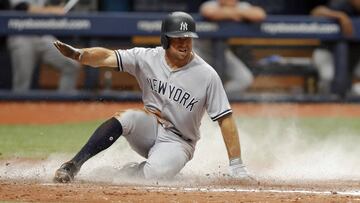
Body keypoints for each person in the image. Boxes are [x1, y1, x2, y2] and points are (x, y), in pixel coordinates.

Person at [53, 11, 252, 182]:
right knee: (127, 117)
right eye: (178, 38)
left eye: (188, 38)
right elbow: (106, 56)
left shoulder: (207, 75)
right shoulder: (147, 57)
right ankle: (73, 165)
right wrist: (80, 55)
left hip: (179, 142)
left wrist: (236, 164)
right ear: (165, 39)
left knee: (153, 176)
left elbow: (225, 119)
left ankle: (135, 171)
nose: (184, 43)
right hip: (150, 127)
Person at [193, 0, 266, 95]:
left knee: (244, 79)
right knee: (192, 80)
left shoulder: (241, 6)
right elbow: (209, 13)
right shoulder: (211, 4)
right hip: (200, 51)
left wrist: (232, 13)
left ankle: (218, 98)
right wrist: (238, 15)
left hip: (223, 52)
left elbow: (260, 14)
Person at [7, 0, 80, 92]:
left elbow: (49, 6)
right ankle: (16, 105)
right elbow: (21, 7)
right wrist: (52, 10)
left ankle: (63, 104)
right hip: (21, 35)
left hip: (42, 35)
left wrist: (58, 7)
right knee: (22, 83)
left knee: (71, 65)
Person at [311, 0, 360, 94]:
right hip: (329, 54)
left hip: (355, 56)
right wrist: (339, 16)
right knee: (330, 79)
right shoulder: (341, 5)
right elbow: (316, 11)